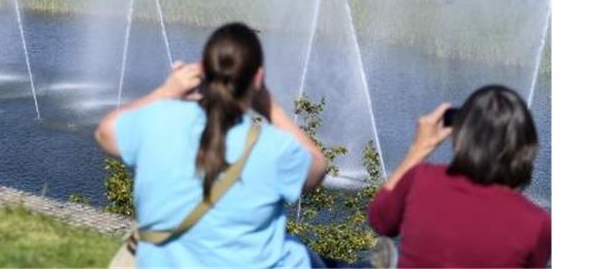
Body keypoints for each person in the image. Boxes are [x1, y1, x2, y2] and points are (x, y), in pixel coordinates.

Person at [95, 23, 329, 267]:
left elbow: (105, 132)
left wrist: (167, 91)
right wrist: (272, 108)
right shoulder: (273, 148)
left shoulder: (159, 123)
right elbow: (318, 167)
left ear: (204, 70)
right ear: (258, 77)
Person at [367, 85, 550, 268]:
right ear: (527, 147)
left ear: (461, 135)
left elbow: (380, 220)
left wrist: (418, 149)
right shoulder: (538, 223)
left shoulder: (420, 179)